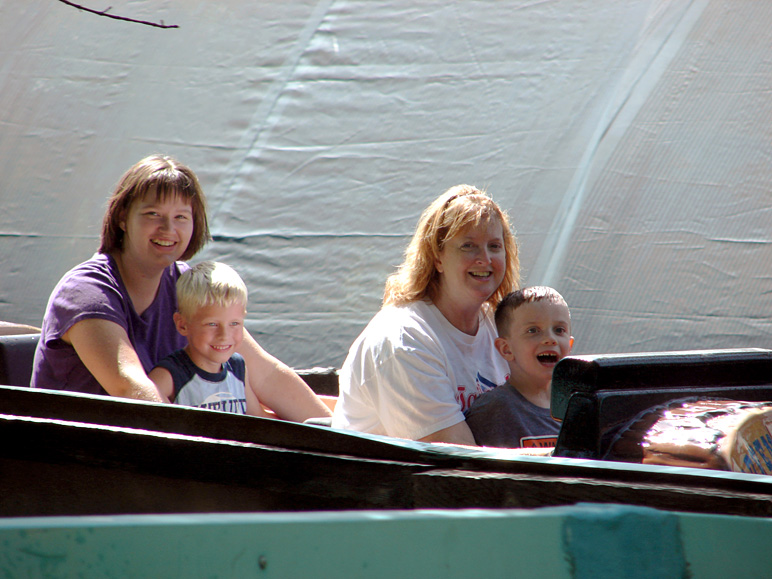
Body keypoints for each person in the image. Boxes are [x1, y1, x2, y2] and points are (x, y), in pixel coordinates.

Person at [31, 155, 330, 422]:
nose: (168, 229)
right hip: (84, 462)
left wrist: (343, 437)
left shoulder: (188, 286)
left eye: (180, 217)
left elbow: (264, 373)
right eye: (153, 215)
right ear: (122, 218)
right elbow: (130, 388)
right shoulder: (86, 292)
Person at [332, 184, 519, 445]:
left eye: (495, 246)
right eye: (468, 246)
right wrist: (554, 457)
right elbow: (461, 463)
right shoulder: (404, 341)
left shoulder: (504, 325)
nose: (485, 259)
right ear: (437, 258)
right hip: (393, 484)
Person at [149, 261, 273, 417]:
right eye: (212, 324)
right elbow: (145, 416)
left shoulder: (238, 367)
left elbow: (258, 419)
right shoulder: (170, 375)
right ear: (182, 325)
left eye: (234, 323)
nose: (224, 335)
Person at [464, 286, 573, 448]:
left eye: (559, 330)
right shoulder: (495, 410)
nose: (550, 339)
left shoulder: (579, 405)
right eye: (533, 330)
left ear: (570, 344)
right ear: (506, 349)